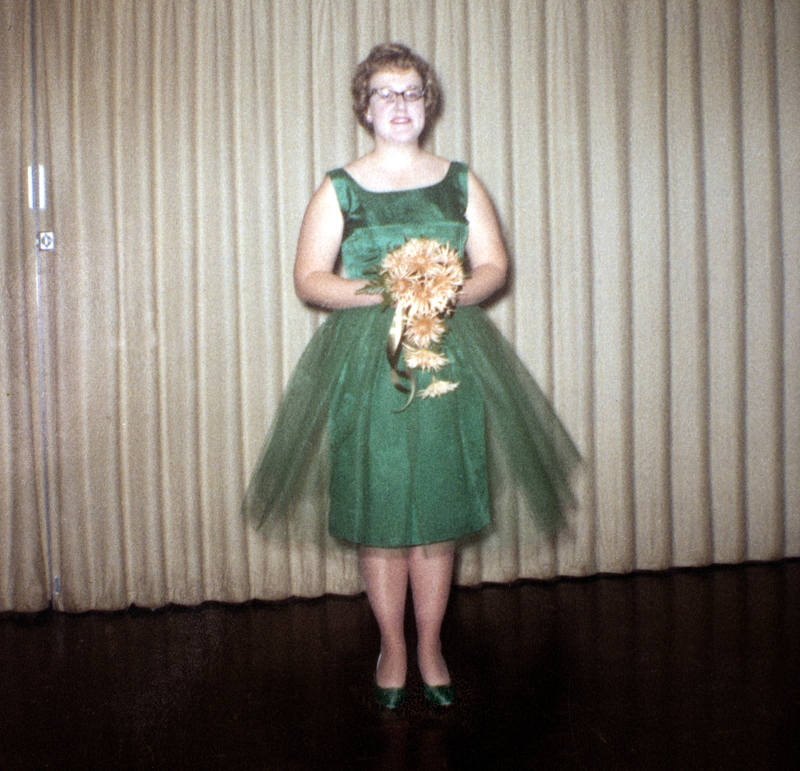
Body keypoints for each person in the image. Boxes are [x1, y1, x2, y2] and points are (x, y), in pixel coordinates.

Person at [243, 43, 580, 710]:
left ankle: (430, 643)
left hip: (447, 355)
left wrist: (443, 292)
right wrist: (386, 291)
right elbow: (309, 279)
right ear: (365, 108)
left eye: (411, 93)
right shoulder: (341, 186)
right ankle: (391, 645)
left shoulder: (459, 180)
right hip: (369, 363)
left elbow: (492, 267)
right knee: (382, 508)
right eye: (385, 93)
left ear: (428, 104)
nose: (399, 104)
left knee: (438, 506)